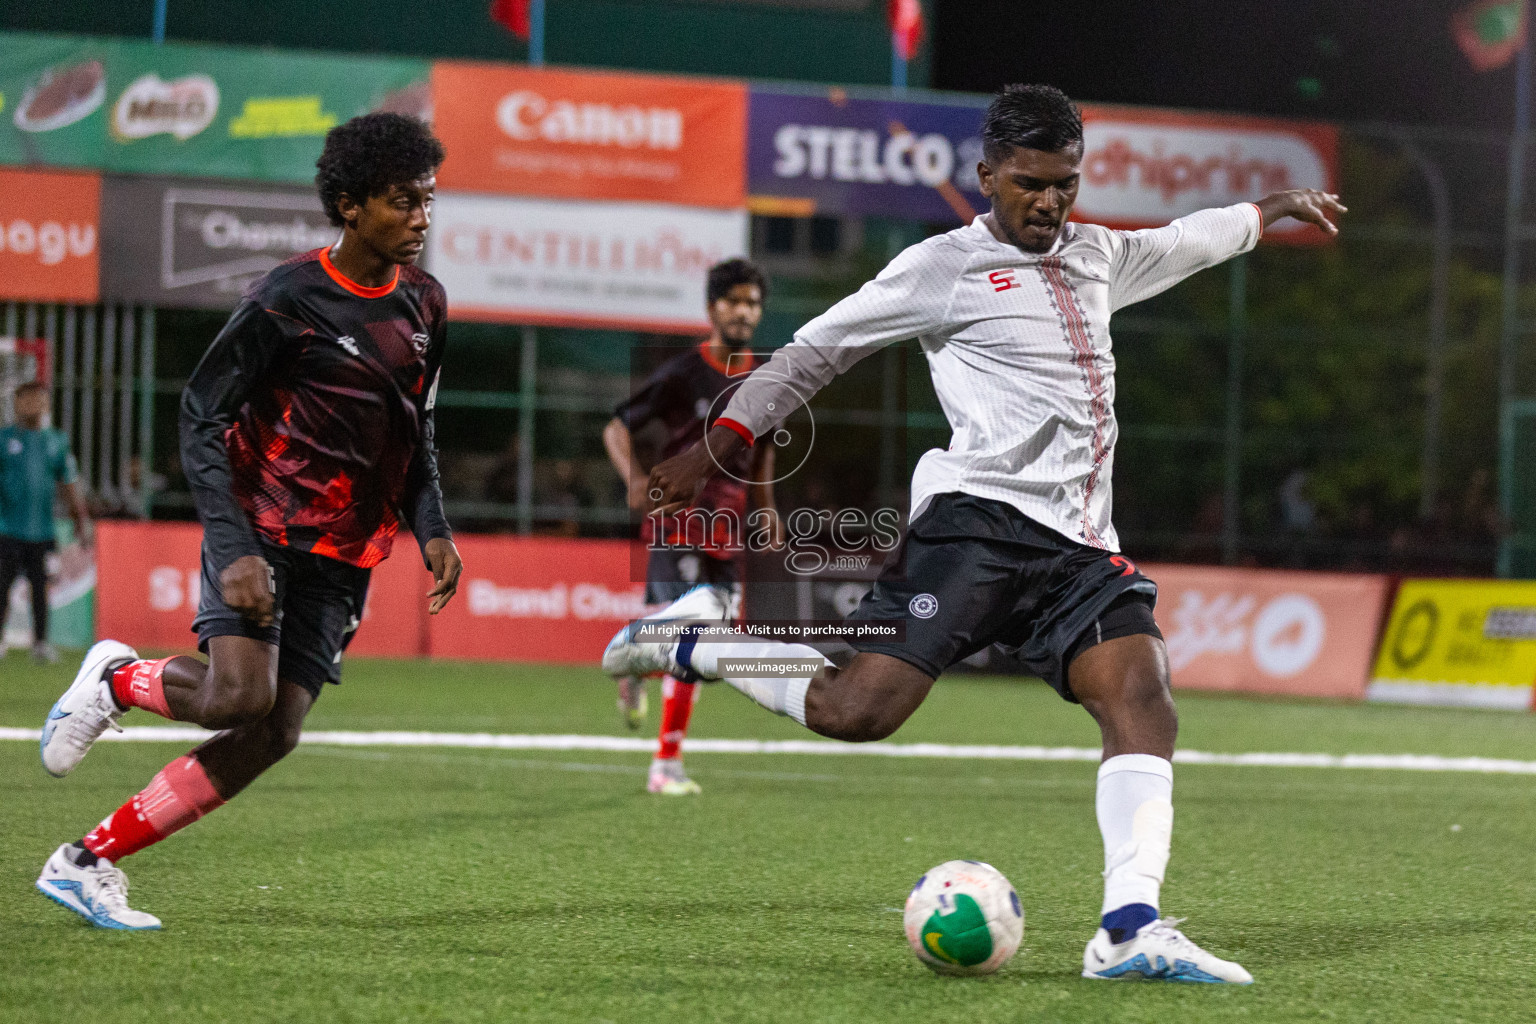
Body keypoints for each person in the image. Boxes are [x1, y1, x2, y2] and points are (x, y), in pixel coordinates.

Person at [605, 85, 1345, 981]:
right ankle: (699, 640)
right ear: (988, 175)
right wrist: (713, 449)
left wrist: (1273, 209)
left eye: (1066, 184)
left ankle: (1128, 929)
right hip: (977, 529)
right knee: (854, 711)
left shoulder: (1100, 255)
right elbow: (811, 355)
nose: (1050, 202)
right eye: (1031, 183)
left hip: (1078, 549)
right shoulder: (939, 268)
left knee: (1143, 695)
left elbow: (1193, 239)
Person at [35, 112, 463, 930]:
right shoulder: (285, 298)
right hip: (262, 529)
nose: (420, 218)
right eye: (402, 201)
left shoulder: (426, 304)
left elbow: (417, 427)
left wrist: (432, 523)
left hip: (345, 551)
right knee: (238, 695)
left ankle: (84, 862)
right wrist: (231, 545)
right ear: (349, 206)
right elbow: (200, 414)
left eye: (427, 200)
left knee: (275, 732)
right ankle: (118, 677)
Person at [602, 258, 780, 795]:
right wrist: (635, 479)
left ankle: (637, 662)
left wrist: (766, 507)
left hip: (729, 532)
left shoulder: (768, 379)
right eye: (733, 301)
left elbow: (766, 449)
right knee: (692, 637)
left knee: (709, 644)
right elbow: (617, 426)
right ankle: (667, 765)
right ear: (712, 309)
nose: (743, 311)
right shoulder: (683, 373)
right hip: (677, 524)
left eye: (752, 302)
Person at [0, 381, 92, 664]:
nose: (32, 405)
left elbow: (68, 481)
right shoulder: (4, 439)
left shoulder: (56, 440)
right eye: (26, 399)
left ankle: (40, 643)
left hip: (42, 529)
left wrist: (80, 518)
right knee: (2, 585)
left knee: (41, 588)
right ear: (15, 403)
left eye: (38, 399)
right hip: (7, 528)